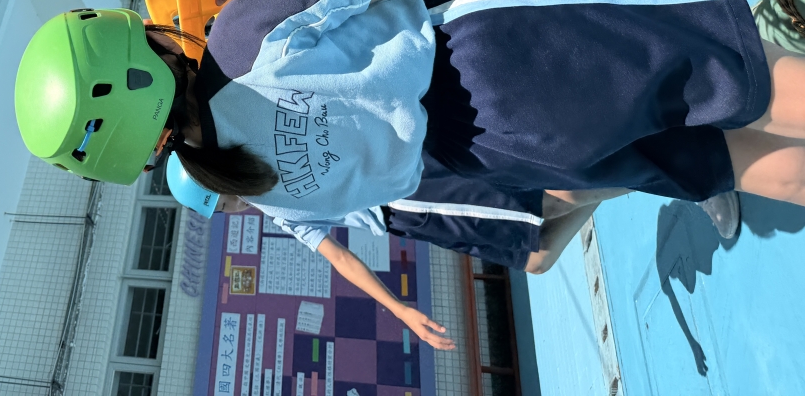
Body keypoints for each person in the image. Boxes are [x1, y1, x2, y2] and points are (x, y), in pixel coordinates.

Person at [12, 0, 805, 343]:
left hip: (482, 156)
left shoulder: (243, 180)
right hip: (492, 56)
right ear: (142, 51)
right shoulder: (239, 37)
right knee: (745, 74)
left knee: (720, 160)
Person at [165, 155, 738, 348]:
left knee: (547, 202)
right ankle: (641, 175)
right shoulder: (275, 208)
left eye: (225, 203)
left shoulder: (268, 159)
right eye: (226, 211)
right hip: (407, 217)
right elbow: (338, 257)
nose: (236, 211)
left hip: (406, 186)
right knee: (537, 256)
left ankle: (691, 172)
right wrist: (398, 309)